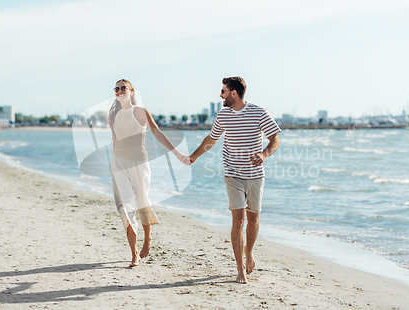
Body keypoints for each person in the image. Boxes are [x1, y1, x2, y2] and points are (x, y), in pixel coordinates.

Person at [189, 77, 281, 283]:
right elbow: (211, 140)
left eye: (223, 91)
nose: (220, 95)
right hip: (233, 175)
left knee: (253, 219)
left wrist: (264, 155)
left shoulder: (259, 112)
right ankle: (239, 268)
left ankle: (249, 252)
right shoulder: (223, 115)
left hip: (255, 176)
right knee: (238, 220)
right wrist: (194, 156)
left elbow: (275, 139)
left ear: (233, 93)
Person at [108, 79, 190, 267]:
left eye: (123, 88)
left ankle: (147, 239)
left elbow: (158, 133)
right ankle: (134, 253)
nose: (120, 91)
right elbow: (115, 141)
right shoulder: (113, 115)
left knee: (142, 202)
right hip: (118, 164)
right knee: (125, 208)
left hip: (139, 162)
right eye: (117, 88)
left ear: (131, 91)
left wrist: (178, 154)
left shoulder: (141, 112)